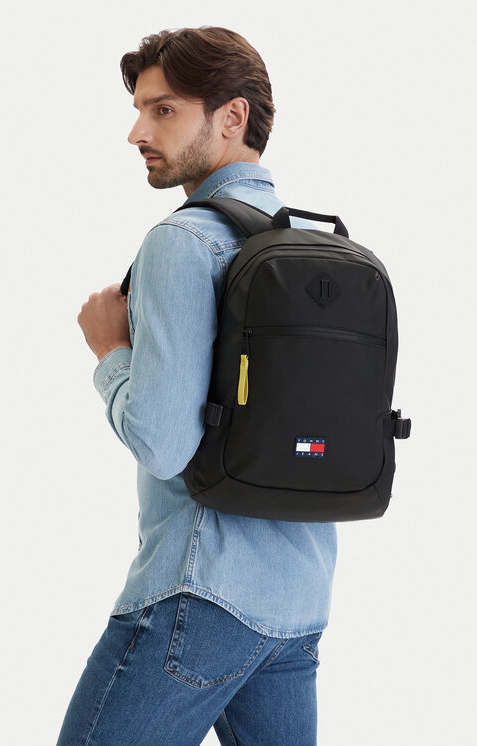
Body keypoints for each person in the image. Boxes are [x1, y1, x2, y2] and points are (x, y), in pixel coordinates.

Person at [57, 26, 337, 746]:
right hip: (298, 600)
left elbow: (163, 443)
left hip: (200, 590)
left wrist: (109, 352)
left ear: (232, 116)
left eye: (164, 111)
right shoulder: (316, 248)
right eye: (139, 110)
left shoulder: (183, 241)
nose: (137, 133)